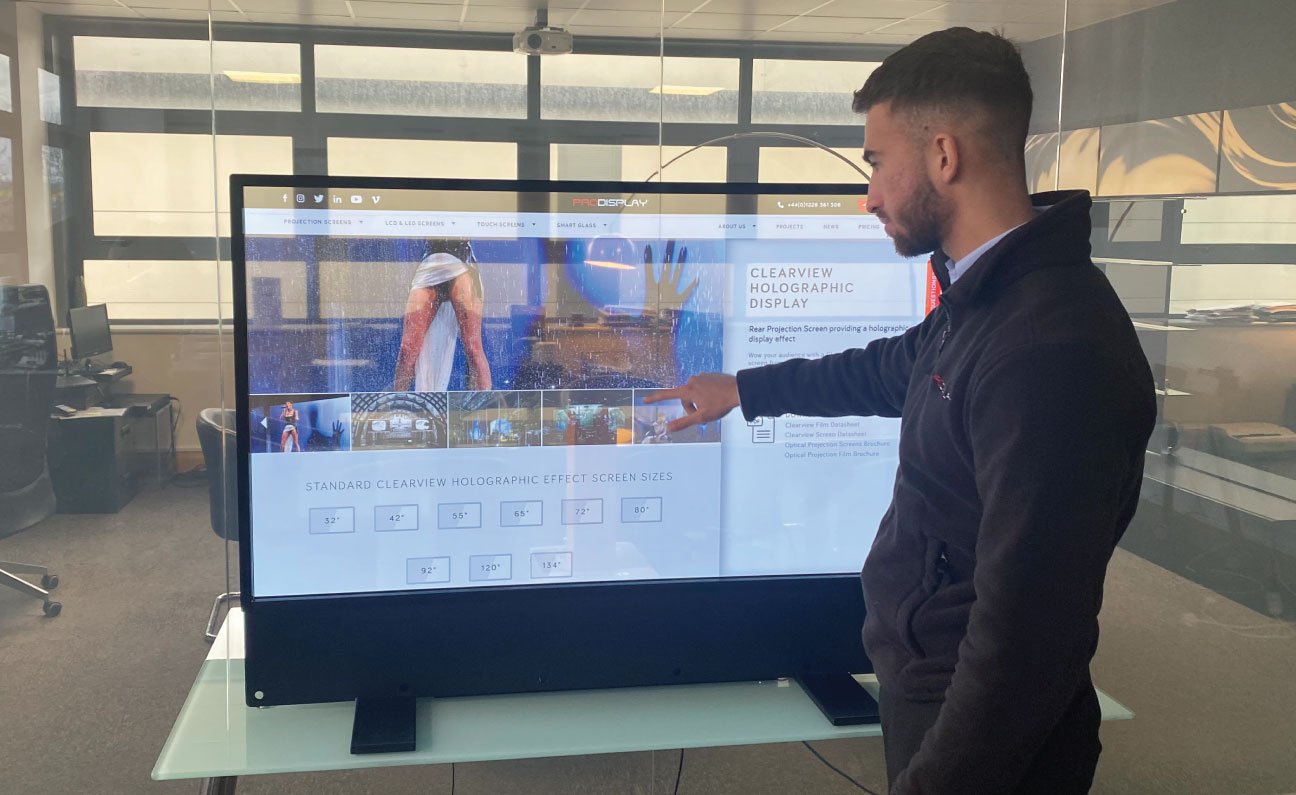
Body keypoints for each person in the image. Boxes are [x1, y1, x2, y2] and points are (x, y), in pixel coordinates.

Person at [646, 28, 1156, 795]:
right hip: (931, 681)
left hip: (980, 724)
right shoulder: (991, 295)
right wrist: (746, 389)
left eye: (878, 162)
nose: (871, 195)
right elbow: (895, 368)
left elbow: (1026, 638)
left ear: (944, 155)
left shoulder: (1046, 350)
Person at [394, 239, 491, 392]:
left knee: (473, 346)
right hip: (430, 262)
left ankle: (485, 402)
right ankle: (397, 402)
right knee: (408, 348)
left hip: (461, 260)